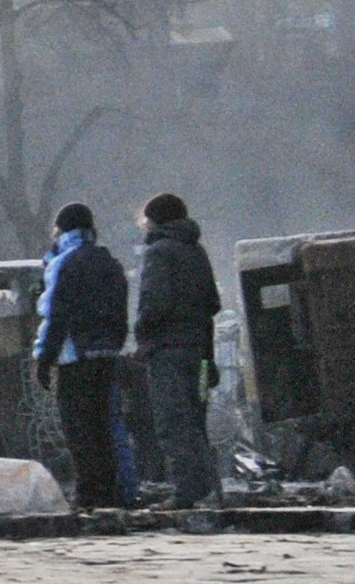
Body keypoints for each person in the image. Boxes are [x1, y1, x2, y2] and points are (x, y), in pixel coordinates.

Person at [35, 202, 134, 513]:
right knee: (105, 425)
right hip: (107, 354)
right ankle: (112, 490)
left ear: (62, 229)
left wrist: (44, 357)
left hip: (74, 356)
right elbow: (121, 311)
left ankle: (88, 492)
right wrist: (115, 343)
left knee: (79, 427)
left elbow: (55, 314)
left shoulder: (64, 262)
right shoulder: (110, 262)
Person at [134, 190, 223, 514]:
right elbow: (211, 304)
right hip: (198, 351)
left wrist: (142, 335)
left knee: (173, 421)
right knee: (196, 422)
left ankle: (187, 492)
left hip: (167, 350)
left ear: (155, 219)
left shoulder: (159, 252)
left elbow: (154, 303)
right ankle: (208, 488)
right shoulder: (196, 251)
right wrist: (209, 357)